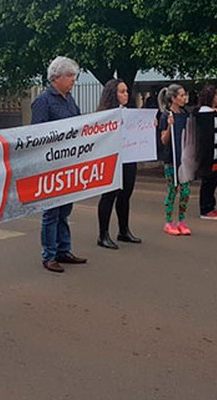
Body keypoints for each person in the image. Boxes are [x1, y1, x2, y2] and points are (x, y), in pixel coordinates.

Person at [31, 56, 87, 273]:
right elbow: (37, 135)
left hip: (69, 164)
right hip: (50, 166)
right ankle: (49, 255)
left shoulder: (69, 99)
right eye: (70, 75)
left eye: (74, 75)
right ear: (56, 78)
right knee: (51, 212)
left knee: (65, 209)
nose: (74, 79)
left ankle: (64, 250)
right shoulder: (43, 101)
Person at [96, 79, 141, 249]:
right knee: (109, 196)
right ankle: (103, 234)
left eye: (127, 91)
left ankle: (124, 231)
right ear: (112, 94)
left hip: (129, 158)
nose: (126, 95)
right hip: (112, 159)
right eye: (122, 91)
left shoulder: (130, 113)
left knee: (125, 194)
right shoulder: (104, 115)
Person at [158, 84, 192, 236]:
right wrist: (170, 127)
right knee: (173, 190)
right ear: (173, 98)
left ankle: (182, 221)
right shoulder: (166, 116)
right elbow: (163, 140)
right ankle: (169, 221)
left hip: (184, 159)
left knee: (185, 191)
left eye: (185, 95)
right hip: (171, 160)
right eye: (182, 95)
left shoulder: (185, 113)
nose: (184, 98)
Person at [197, 85, 217, 220]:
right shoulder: (205, 112)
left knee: (215, 178)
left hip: (216, 151)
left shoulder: (214, 111)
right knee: (208, 180)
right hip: (208, 152)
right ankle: (205, 208)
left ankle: (211, 205)